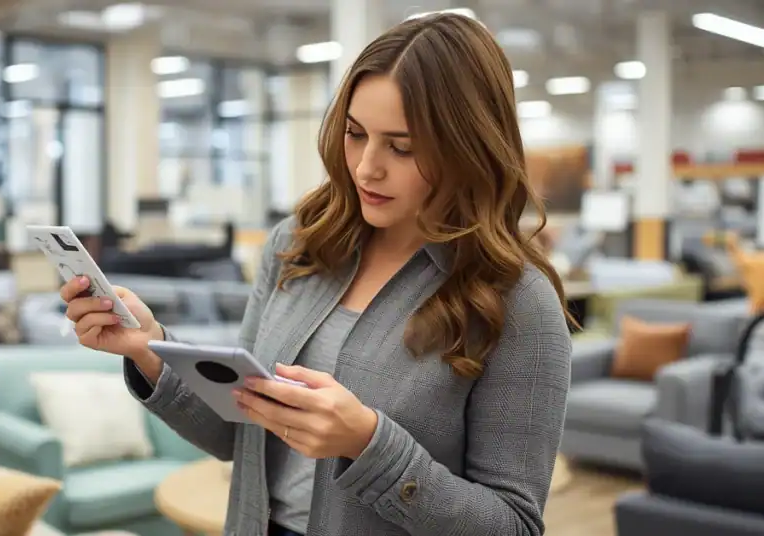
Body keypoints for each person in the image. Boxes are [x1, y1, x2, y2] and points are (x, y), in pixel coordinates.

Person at [62, 12, 572, 536]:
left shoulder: (517, 301)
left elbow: (513, 526)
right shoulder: (298, 244)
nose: (367, 167)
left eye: (402, 147)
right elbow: (239, 435)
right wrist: (149, 348)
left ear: (469, 149)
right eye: (356, 134)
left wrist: (369, 446)